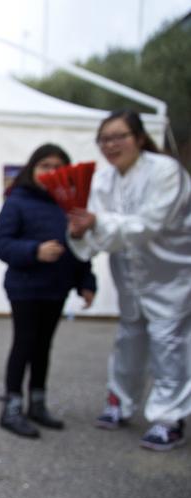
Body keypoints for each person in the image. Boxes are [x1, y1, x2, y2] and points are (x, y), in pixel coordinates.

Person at [67, 110, 191, 451]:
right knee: (128, 338)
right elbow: (98, 232)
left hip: (172, 277)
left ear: (138, 137)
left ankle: (169, 418)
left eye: (119, 136)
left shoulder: (165, 171)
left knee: (168, 343)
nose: (111, 145)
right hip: (130, 277)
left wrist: (97, 223)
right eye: (105, 139)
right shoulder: (104, 181)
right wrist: (79, 232)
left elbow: (149, 224)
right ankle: (119, 402)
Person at [0, 144, 96, 438]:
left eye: (58, 167)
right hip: (24, 287)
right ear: (32, 168)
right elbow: (1, 243)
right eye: (45, 165)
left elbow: (80, 249)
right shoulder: (17, 200)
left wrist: (86, 282)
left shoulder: (70, 205)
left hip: (56, 287)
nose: (51, 172)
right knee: (24, 343)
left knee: (43, 346)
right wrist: (34, 251)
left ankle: (37, 402)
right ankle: (11, 406)